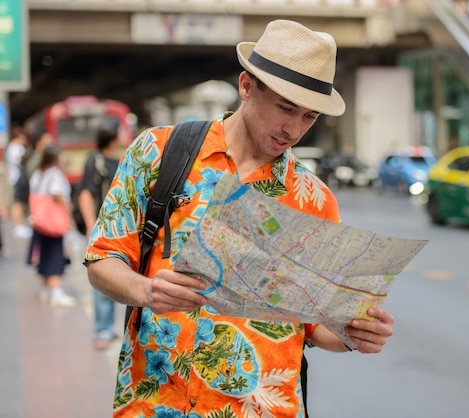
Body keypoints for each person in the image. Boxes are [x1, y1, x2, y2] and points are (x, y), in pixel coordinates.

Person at [84, 19, 394, 417]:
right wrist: (145, 291)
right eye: (285, 108)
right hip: (156, 402)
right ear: (246, 86)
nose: (293, 129)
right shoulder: (159, 151)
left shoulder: (314, 200)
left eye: (309, 117)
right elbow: (102, 258)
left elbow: (314, 326)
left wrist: (352, 335)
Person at [77, 127, 123, 350]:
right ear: (111, 137)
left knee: (116, 275)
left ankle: (109, 327)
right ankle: (102, 330)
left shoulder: (120, 159)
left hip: (119, 227)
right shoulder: (95, 161)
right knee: (102, 275)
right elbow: (85, 192)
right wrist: (90, 225)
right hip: (101, 226)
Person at [29, 145, 76, 307]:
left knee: (43, 253)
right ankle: (56, 291)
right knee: (55, 254)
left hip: (40, 220)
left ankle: (46, 287)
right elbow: (58, 196)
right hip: (53, 221)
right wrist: (68, 216)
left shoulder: (38, 173)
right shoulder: (55, 174)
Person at [4, 126, 29, 237]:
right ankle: (17, 226)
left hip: (15, 178)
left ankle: (18, 225)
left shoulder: (11, 147)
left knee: (18, 202)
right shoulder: (16, 148)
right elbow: (21, 162)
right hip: (17, 178)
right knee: (17, 202)